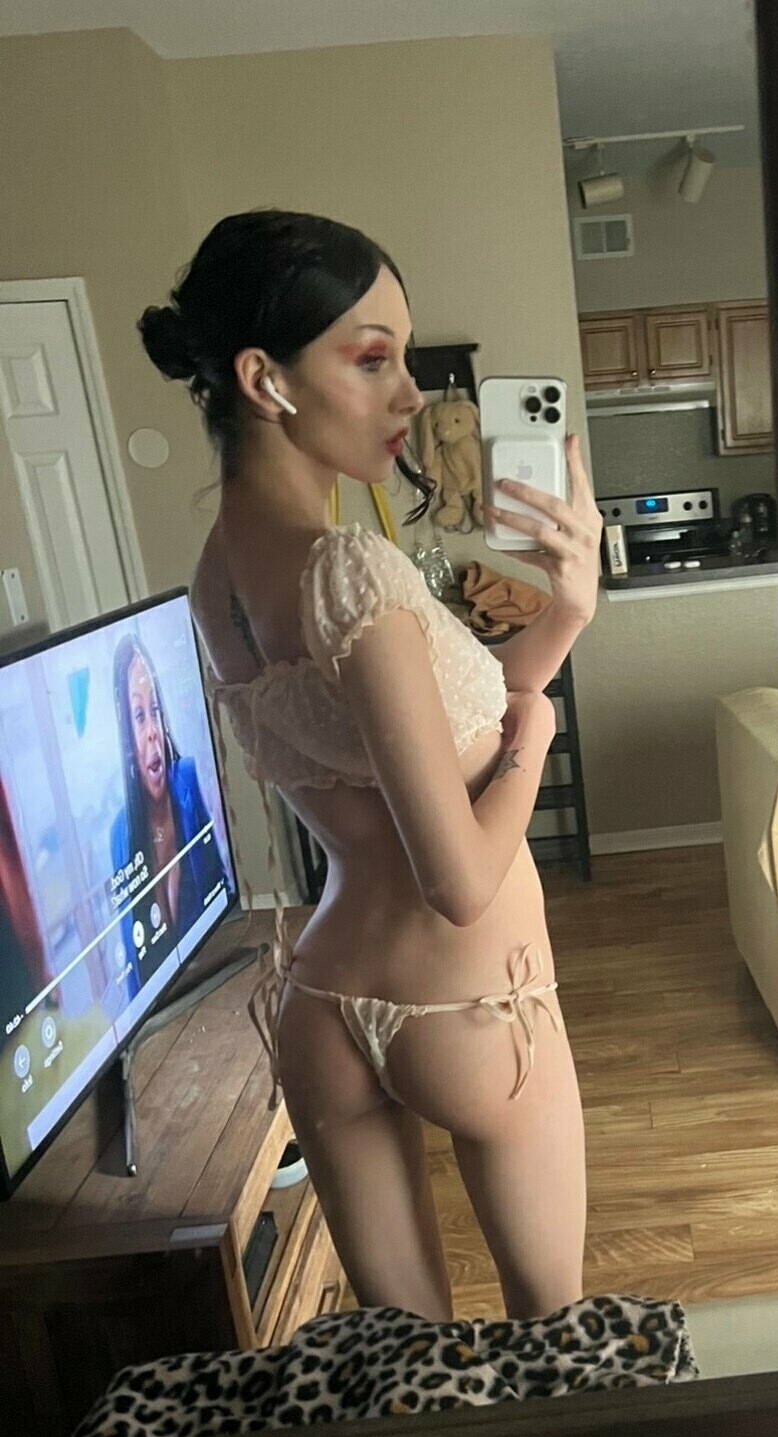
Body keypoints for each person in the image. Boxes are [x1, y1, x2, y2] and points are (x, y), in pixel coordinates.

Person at [138, 209, 602, 1324]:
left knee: (409, 1362)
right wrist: (537, 735)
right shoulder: (351, 568)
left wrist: (567, 611)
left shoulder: (219, 574)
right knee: (558, 1341)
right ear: (267, 380)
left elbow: (415, 736)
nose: (411, 395)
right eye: (372, 359)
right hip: (470, 1001)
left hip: (328, 1002)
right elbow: (460, 878)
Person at [109, 632, 233, 1000]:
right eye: (139, 715)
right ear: (126, 735)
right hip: (165, 1008)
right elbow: (135, 975)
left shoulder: (188, 779)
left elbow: (225, 895)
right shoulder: (120, 835)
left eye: (155, 710)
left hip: (214, 977)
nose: (152, 732)